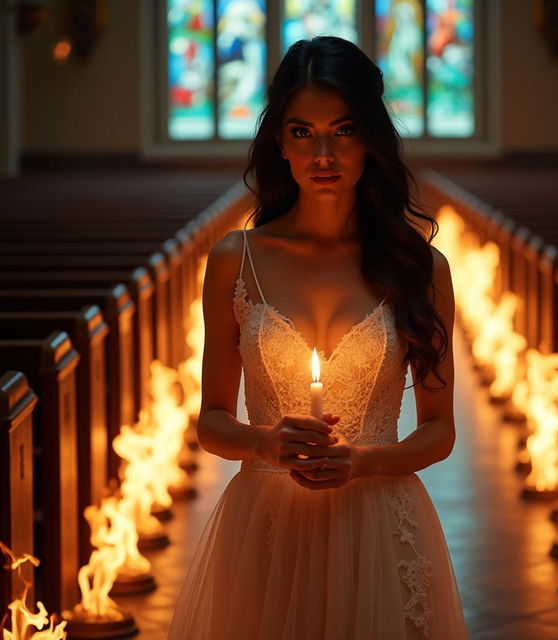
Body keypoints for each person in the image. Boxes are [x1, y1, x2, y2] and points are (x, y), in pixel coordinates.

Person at [166, 35, 468, 640]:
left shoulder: (421, 268)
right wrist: (265, 444)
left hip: (379, 521)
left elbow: (439, 430)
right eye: (302, 132)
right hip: (267, 524)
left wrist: (363, 462)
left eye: (344, 130)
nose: (323, 152)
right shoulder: (236, 260)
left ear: (371, 140)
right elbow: (212, 421)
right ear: (279, 142)